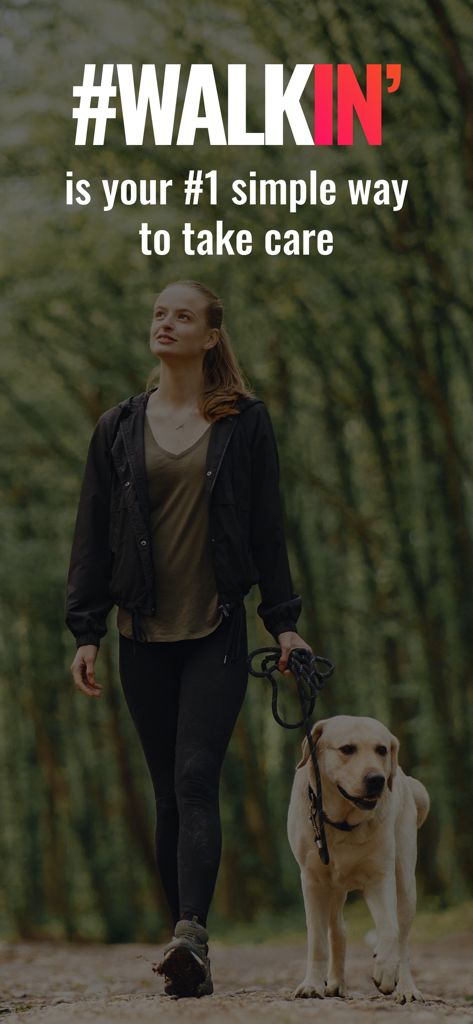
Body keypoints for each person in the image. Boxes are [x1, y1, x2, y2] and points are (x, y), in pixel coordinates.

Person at [66, 280, 310, 998]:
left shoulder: (244, 422)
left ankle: (191, 936)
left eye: (182, 315)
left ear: (210, 336)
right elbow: (92, 532)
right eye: (158, 313)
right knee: (167, 795)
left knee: (196, 778)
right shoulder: (116, 426)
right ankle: (187, 953)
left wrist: (284, 621)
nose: (165, 323)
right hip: (140, 630)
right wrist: (86, 630)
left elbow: (267, 526)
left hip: (217, 628)